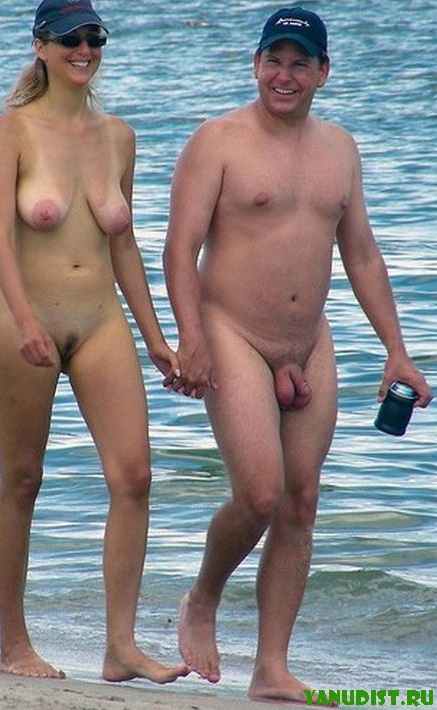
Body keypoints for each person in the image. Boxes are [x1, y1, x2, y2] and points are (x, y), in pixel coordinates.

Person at [162, 6, 433, 704]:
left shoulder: (340, 148)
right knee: (260, 493)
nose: (285, 75)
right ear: (256, 65)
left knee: (301, 501)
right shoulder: (217, 141)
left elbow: (362, 254)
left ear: (323, 73)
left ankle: (271, 667)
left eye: (299, 63)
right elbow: (179, 249)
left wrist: (397, 352)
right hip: (233, 332)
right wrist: (191, 338)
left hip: (309, 341)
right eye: (274, 61)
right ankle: (201, 599)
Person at [0, 0, 187, 684]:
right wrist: (25, 319)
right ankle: (13, 647)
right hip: (22, 318)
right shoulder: (11, 131)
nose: (84, 48)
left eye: (94, 35)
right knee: (23, 480)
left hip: (100, 321)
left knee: (135, 477)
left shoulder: (118, 136)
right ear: (40, 46)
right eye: (69, 37)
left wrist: (157, 339)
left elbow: (124, 244)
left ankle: (120, 647)